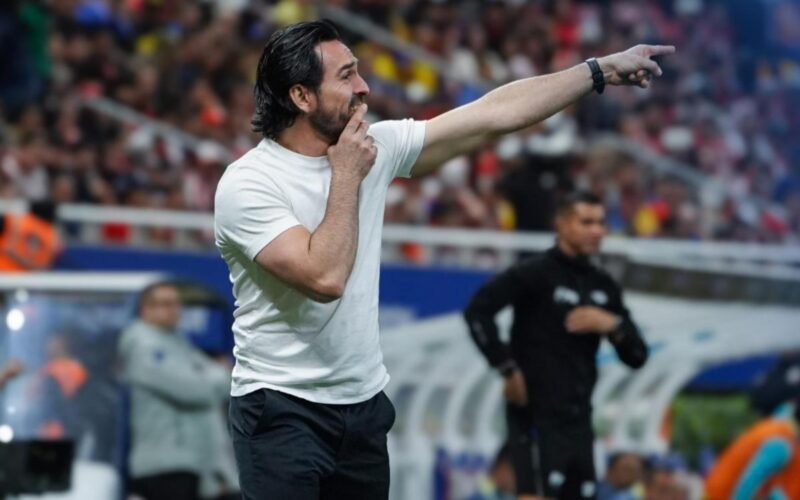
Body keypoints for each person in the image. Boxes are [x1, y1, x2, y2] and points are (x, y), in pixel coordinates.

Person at [213, 19, 672, 499]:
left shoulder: (372, 148)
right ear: (302, 96)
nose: (364, 87)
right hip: (280, 409)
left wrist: (597, 71)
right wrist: (346, 176)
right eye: (346, 75)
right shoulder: (250, 184)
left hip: (362, 407)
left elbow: (494, 114)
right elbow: (325, 278)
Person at [463, 192, 649, 499]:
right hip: (534, 418)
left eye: (601, 223)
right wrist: (507, 368)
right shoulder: (534, 272)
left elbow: (638, 356)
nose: (597, 231)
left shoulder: (603, 285)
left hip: (579, 423)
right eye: (586, 222)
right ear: (561, 224)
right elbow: (477, 312)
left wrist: (613, 325)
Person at [117, 282, 231, 500]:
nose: (174, 310)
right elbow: (195, 390)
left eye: (177, 304)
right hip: (161, 464)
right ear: (145, 310)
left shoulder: (178, 341)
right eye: (166, 304)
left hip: (188, 462)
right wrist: (213, 377)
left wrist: (213, 377)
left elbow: (227, 379)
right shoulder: (143, 345)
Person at [704, 401, 800, 500]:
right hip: (720, 495)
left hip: (713, 490)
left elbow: (769, 487)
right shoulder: (781, 444)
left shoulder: (777, 427)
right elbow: (749, 483)